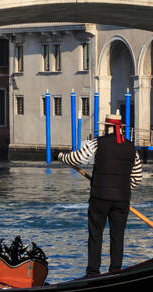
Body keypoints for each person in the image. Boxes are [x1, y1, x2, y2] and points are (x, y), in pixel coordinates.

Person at [57, 110, 144, 276]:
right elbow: (137, 177)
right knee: (117, 236)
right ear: (120, 128)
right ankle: (115, 271)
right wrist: (123, 189)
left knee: (96, 234)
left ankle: (93, 272)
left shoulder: (97, 143)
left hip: (100, 197)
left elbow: (76, 159)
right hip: (122, 199)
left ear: (107, 127)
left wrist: (61, 156)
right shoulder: (131, 148)